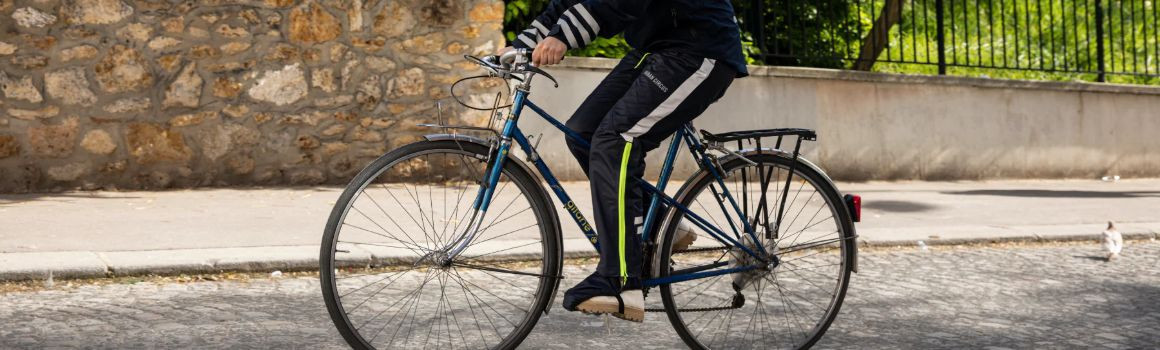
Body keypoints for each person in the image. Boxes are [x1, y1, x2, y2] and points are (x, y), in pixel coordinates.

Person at [501, 0, 748, 322]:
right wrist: (520, 47)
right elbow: (566, 3)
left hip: (699, 49)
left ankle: (620, 281)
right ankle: (662, 223)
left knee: (614, 141)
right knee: (583, 133)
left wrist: (562, 36)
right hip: (655, 49)